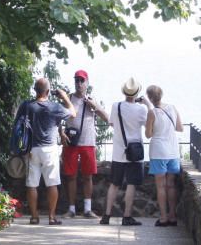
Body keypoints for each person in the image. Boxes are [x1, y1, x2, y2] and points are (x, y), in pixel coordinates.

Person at [20, 77, 76, 225]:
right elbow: (73, 113)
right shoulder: (54, 107)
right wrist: (65, 97)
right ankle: (51, 217)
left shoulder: (28, 106)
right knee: (52, 184)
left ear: (35, 90)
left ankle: (34, 217)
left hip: (32, 149)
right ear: (48, 91)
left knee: (32, 184)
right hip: (50, 149)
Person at [101, 77, 152, 227]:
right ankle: (127, 216)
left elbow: (111, 123)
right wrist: (147, 103)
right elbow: (151, 121)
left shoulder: (115, 106)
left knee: (114, 184)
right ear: (137, 93)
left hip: (118, 152)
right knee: (131, 184)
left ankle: (106, 215)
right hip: (134, 153)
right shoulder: (141, 109)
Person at [62, 69, 109, 218]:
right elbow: (58, 117)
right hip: (71, 142)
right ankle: (72, 209)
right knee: (71, 176)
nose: (79, 83)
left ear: (87, 83)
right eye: (77, 80)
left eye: (82, 80)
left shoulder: (91, 100)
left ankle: (88, 209)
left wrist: (94, 105)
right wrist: (61, 133)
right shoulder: (68, 99)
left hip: (88, 142)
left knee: (88, 176)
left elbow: (107, 118)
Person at [145, 84, 184, 226]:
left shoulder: (152, 112)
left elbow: (148, 135)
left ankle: (163, 217)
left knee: (161, 186)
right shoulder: (172, 108)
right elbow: (180, 127)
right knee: (171, 185)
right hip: (173, 151)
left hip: (158, 151)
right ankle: (173, 215)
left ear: (149, 98)